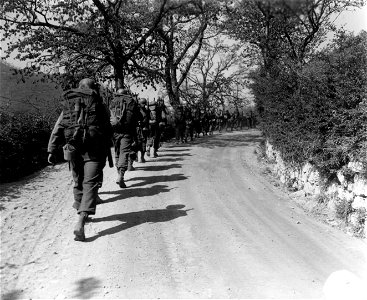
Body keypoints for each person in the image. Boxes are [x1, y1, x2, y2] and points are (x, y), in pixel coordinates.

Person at [47, 78, 112, 242]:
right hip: (94, 150)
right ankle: (81, 221)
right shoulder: (99, 104)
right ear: (93, 89)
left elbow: (58, 128)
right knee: (90, 183)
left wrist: (51, 149)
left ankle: (79, 206)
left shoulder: (70, 104)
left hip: (74, 148)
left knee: (78, 180)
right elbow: (110, 126)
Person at [110, 88, 141, 188]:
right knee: (124, 152)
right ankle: (121, 175)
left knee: (117, 152)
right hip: (127, 131)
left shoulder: (113, 101)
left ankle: (118, 171)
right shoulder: (131, 101)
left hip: (115, 131)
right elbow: (137, 118)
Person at [136, 98, 149, 163]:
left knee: (143, 144)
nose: (144, 105)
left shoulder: (147, 111)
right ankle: (135, 157)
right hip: (137, 129)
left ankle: (142, 157)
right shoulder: (136, 110)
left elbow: (148, 119)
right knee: (136, 144)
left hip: (144, 129)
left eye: (144, 104)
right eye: (142, 104)